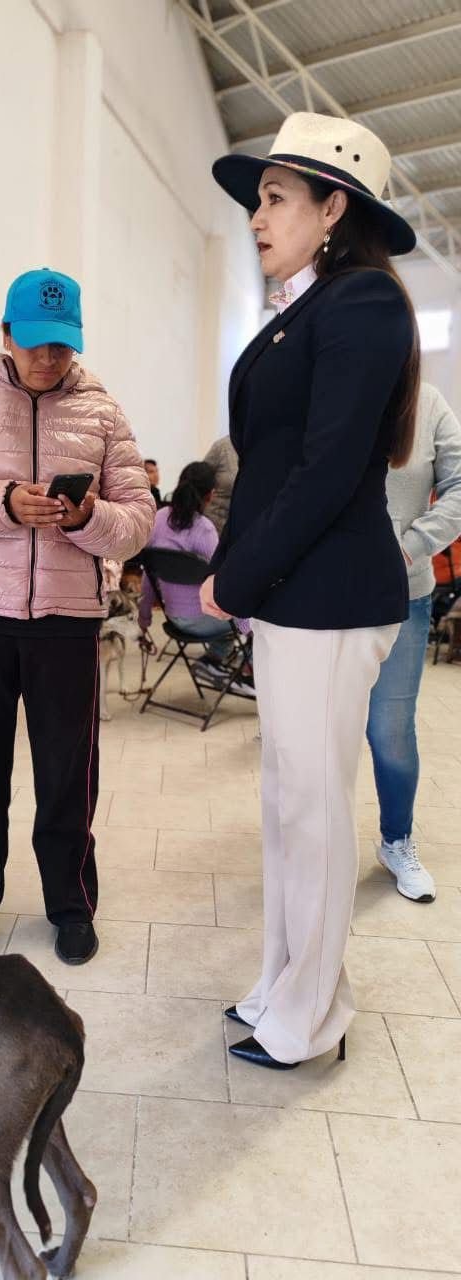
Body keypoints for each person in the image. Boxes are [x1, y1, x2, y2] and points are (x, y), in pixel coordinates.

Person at [204, 112, 419, 1069]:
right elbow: (269, 463)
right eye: (259, 199)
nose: (257, 215)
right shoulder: (307, 307)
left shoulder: (362, 304)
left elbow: (329, 469)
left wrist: (236, 577)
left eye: (276, 197)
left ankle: (312, 1014)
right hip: (295, 594)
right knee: (289, 803)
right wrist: (242, 571)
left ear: (335, 208)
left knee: (315, 809)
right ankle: (283, 983)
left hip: (331, 595)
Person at [0, 268, 154, 964]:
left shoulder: (103, 414)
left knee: (67, 773)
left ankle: (71, 904)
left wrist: (86, 517)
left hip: (68, 622)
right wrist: (3, 502)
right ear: (8, 334)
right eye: (36, 342)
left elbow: (136, 523)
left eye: (62, 345)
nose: (49, 358)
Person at [367, 382, 461, 903]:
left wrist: (411, 545)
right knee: (316, 730)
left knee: (391, 730)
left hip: (404, 593)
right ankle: (314, 849)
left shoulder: (426, 402)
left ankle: (396, 839)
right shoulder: (323, 382)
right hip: (323, 596)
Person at [139, 461, 244, 684]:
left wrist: (144, 617)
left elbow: (147, 574)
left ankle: (224, 661)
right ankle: (214, 662)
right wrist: (246, 625)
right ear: (211, 495)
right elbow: (224, 581)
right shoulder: (203, 529)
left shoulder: (158, 519)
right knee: (255, 616)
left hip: (172, 619)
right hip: (203, 621)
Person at [203, 435, 238, 536]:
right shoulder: (222, 447)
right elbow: (198, 478)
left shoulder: (260, 450)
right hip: (213, 527)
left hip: (242, 529)